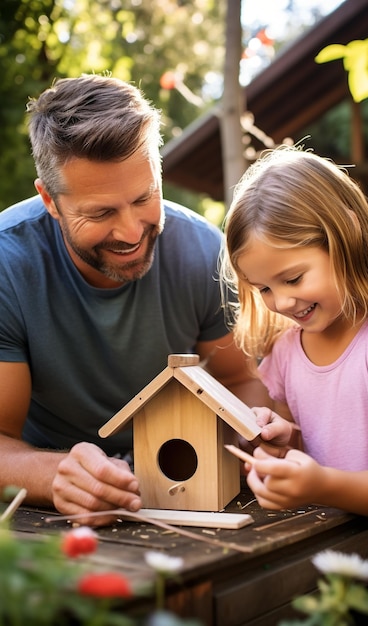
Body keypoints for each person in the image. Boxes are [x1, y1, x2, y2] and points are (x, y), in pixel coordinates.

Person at [0, 73, 270, 526]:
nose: (130, 232)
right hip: (44, 511)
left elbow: (241, 382)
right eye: (101, 212)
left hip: (182, 493)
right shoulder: (8, 265)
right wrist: (56, 474)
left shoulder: (203, 252)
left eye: (145, 197)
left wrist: (250, 436)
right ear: (49, 199)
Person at [221, 146, 368, 623]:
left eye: (292, 277)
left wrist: (318, 483)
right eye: (263, 288)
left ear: (345, 232)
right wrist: (282, 444)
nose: (281, 301)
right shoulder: (287, 351)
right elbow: (318, 447)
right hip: (339, 563)